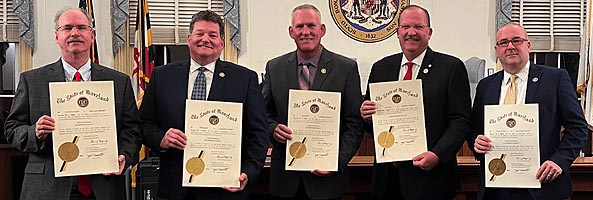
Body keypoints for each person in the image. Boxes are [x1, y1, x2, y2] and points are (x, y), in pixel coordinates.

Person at [3, 8, 140, 200]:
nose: (74, 33)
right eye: (67, 28)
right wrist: (35, 132)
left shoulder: (119, 82)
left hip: (103, 188)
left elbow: (132, 129)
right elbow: (12, 129)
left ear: (91, 36)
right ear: (57, 37)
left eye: (82, 27)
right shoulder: (32, 80)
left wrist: (124, 155)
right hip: (47, 188)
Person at [140, 10, 268, 200]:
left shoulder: (244, 79)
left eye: (213, 35)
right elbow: (143, 123)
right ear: (189, 38)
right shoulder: (162, 76)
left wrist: (248, 173)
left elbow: (259, 132)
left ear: (222, 43)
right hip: (175, 188)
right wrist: (161, 139)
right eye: (200, 33)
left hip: (225, 188)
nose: (205, 39)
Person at [360, 5, 473, 200]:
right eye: (405, 27)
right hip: (387, 179)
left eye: (418, 27)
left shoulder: (451, 68)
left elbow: (460, 121)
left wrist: (437, 155)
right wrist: (367, 117)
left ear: (429, 32)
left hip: (432, 180)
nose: (411, 33)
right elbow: (371, 127)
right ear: (397, 32)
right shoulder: (381, 68)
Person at [470, 22, 588, 200]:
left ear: (528, 45)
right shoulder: (486, 85)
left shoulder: (555, 78)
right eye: (503, 42)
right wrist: (475, 141)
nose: (510, 46)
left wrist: (559, 160)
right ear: (496, 49)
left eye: (516, 40)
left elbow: (578, 128)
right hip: (496, 188)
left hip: (542, 185)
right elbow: (474, 128)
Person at [262, 4, 363, 200]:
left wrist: (336, 162)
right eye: (299, 27)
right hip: (285, 181)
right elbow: (262, 114)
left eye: (311, 25)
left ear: (322, 30)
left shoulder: (346, 68)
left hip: (328, 182)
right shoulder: (274, 67)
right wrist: (273, 128)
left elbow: (354, 124)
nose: (305, 32)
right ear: (291, 32)